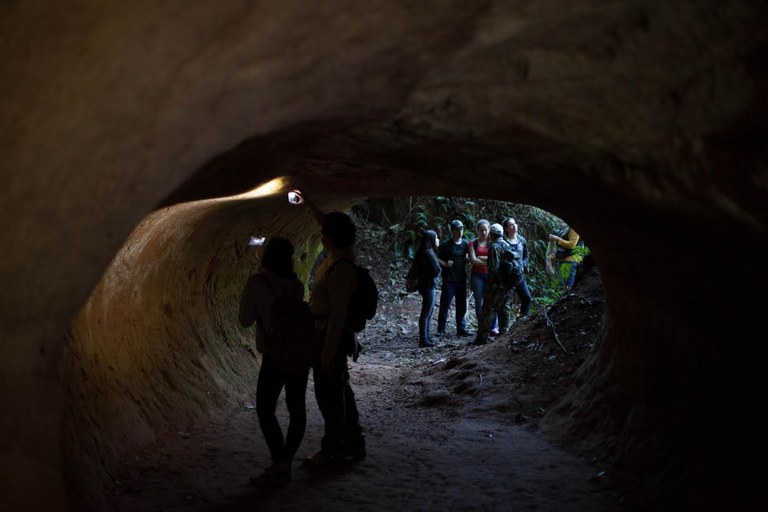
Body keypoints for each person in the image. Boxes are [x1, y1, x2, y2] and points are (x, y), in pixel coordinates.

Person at [238, 237, 308, 485]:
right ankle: (285, 461)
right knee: (297, 409)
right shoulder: (296, 285)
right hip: (300, 354)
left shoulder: (257, 283)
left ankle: (280, 464)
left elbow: (245, 320)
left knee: (266, 409)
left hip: (274, 355)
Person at [304, 211, 367, 466]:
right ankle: (352, 444)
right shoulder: (337, 259)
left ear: (329, 238)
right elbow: (327, 224)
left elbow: (338, 315)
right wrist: (307, 202)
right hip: (328, 335)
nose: (320, 235)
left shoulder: (342, 270)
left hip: (331, 337)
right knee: (340, 391)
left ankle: (334, 449)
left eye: (323, 232)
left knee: (329, 395)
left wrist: (328, 352)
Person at [471, 224, 513, 346]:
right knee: (504, 309)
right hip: (507, 284)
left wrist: (492, 284)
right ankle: (503, 334)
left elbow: (493, 268)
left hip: (496, 285)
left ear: (491, 235)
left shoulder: (495, 247)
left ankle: (482, 338)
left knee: (487, 310)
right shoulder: (507, 244)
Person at [436, 219, 472, 338]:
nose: (460, 232)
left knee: (461, 305)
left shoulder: (466, 244)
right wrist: (445, 264)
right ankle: (441, 330)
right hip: (449, 280)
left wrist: (467, 260)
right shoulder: (445, 245)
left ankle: (461, 329)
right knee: (445, 305)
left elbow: (470, 256)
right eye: (457, 229)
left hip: (461, 279)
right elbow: (436, 258)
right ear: (452, 231)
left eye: (461, 229)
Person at [468, 219, 499, 336]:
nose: (484, 232)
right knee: (479, 301)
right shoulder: (473, 243)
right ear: (477, 231)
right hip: (477, 275)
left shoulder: (493, 243)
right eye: (481, 230)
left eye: (486, 230)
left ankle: (493, 326)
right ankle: (481, 326)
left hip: (491, 275)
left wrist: (480, 257)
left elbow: (497, 260)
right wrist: (489, 261)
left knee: (492, 300)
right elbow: (473, 261)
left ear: (489, 230)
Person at [413, 230, 442, 347]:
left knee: (428, 312)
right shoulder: (429, 253)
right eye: (436, 238)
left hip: (424, 285)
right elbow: (437, 270)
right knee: (426, 313)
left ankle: (426, 337)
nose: (438, 240)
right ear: (431, 240)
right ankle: (423, 339)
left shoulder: (421, 252)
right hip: (429, 285)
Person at [502, 217, 532, 319]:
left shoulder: (522, 240)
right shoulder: (503, 241)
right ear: (506, 228)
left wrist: (523, 264)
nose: (514, 226)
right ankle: (501, 328)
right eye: (511, 224)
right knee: (504, 303)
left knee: (526, 298)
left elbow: (526, 255)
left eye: (515, 223)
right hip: (507, 277)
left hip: (519, 275)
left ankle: (522, 321)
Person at [548, 224, 581, 291]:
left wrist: (557, 239)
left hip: (570, 260)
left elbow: (571, 245)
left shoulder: (574, 229)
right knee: (566, 286)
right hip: (563, 259)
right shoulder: (567, 228)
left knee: (569, 286)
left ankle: (571, 300)